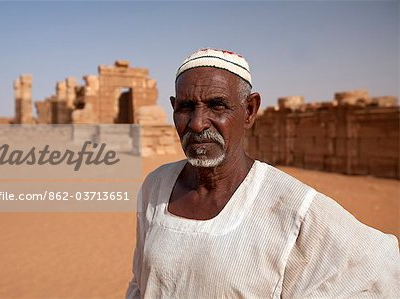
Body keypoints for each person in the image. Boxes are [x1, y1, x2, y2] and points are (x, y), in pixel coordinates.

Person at [126, 48, 399, 298]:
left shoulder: (293, 206)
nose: (197, 124)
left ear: (249, 111)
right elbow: (141, 282)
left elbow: (377, 269)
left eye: (217, 105)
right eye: (186, 108)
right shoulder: (156, 186)